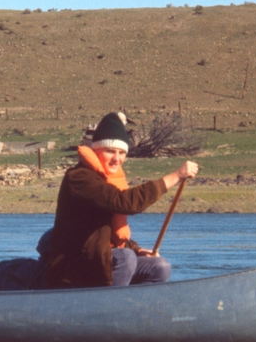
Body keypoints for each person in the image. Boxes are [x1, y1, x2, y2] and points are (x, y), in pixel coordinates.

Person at [45, 112, 199, 289]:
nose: (116, 159)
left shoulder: (109, 179)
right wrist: (176, 176)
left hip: (97, 261)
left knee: (160, 266)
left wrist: (135, 248)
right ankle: (109, 308)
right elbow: (125, 203)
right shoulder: (79, 178)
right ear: (96, 149)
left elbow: (105, 232)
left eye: (121, 153)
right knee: (125, 258)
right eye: (110, 151)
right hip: (71, 271)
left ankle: (137, 310)